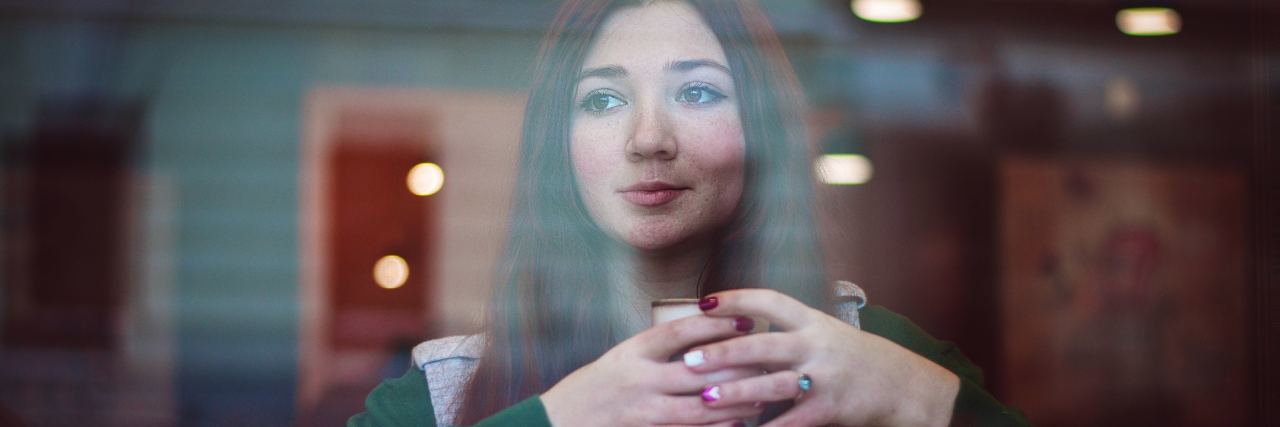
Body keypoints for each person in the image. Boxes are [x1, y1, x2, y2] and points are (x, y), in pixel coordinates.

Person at [350, 0, 1028, 425]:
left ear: (761, 127)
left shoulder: (878, 355)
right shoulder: (441, 397)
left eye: (699, 92)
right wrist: (561, 419)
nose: (649, 138)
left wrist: (925, 402)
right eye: (603, 101)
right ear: (557, 144)